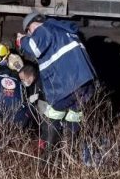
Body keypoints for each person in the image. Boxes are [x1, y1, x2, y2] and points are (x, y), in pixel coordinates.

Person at [17, 11, 98, 160]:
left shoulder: (44, 28)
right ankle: (70, 154)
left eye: (29, 32)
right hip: (86, 84)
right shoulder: (66, 31)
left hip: (68, 85)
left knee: (51, 117)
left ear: (31, 26)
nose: (31, 35)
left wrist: (22, 41)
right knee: (74, 118)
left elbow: (33, 48)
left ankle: (47, 161)